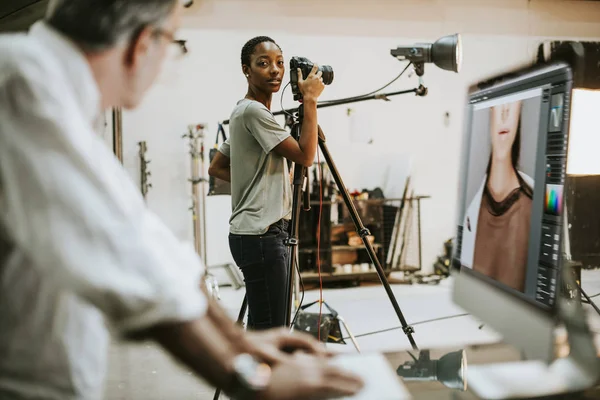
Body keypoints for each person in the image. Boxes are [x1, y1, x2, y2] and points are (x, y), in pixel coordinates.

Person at [0, 1, 363, 399]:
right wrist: (249, 376)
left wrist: (242, 344)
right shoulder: (23, 85)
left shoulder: (48, 84)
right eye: (173, 45)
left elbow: (143, 236)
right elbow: (124, 253)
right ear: (143, 43)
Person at [209, 36, 324, 330]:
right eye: (263, 63)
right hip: (263, 236)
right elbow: (305, 156)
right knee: (272, 330)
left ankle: (254, 373)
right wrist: (310, 100)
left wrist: (257, 180)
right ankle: (258, 375)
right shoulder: (255, 112)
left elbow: (217, 166)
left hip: (253, 235)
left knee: (264, 324)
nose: (274, 70)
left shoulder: (242, 110)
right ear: (246, 70)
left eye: (279, 63)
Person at [461, 100, 534, 292]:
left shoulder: (532, 206)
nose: (505, 112)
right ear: (490, 109)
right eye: (499, 104)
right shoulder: (472, 209)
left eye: (513, 102)